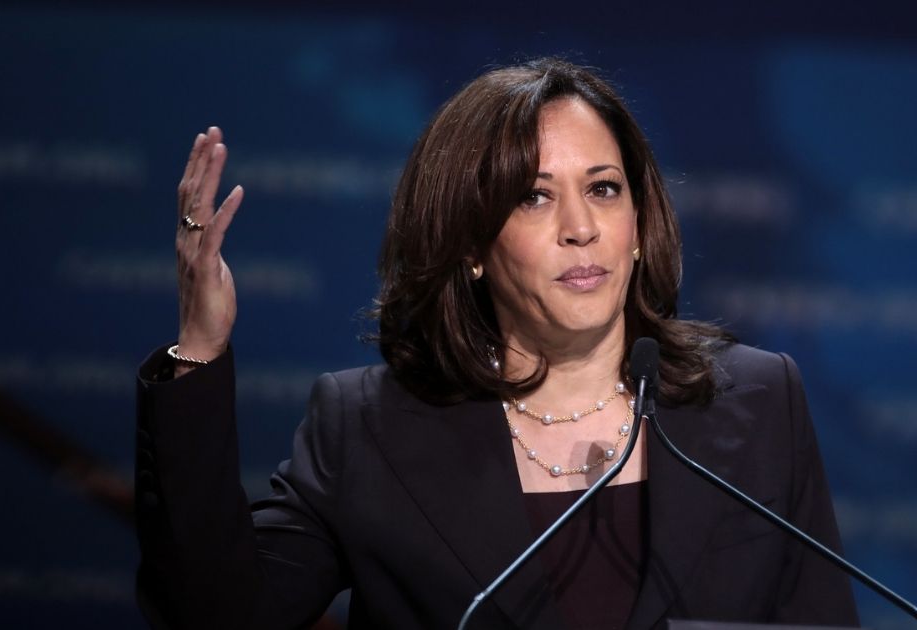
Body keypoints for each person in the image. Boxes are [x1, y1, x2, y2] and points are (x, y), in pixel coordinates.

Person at [135, 58, 860, 629]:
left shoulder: (760, 402)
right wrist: (198, 348)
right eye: (533, 196)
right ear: (472, 244)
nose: (581, 226)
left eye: (604, 189)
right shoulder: (367, 431)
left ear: (639, 225)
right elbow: (217, 610)